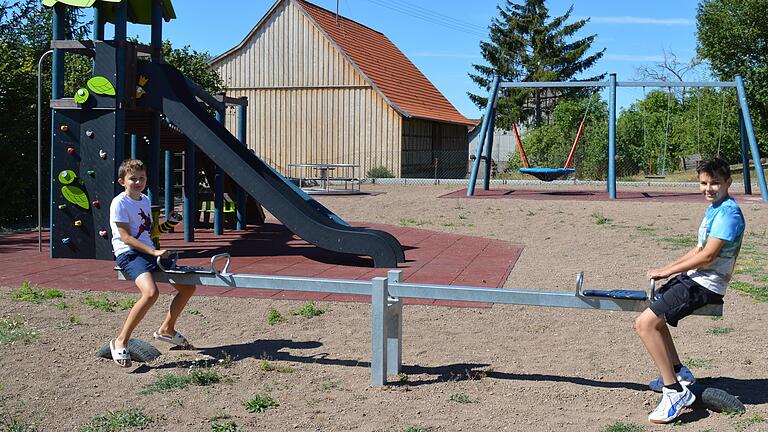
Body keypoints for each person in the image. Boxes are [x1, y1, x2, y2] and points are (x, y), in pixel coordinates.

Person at [635, 157, 745, 424]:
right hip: (694, 278)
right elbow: (697, 249)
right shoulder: (714, 208)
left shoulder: (729, 213)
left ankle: (673, 392)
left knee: (645, 324)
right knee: (654, 319)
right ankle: (678, 373)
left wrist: (669, 272)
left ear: (728, 182)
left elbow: (707, 257)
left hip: (705, 285)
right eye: (704, 183)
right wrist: (668, 268)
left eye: (715, 183)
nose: (708, 188)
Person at [108, 159, 196, 367]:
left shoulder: (145, 200)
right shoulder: (119, 203)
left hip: (148, 252)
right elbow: (126, 237)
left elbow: (150, 232)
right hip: (129, 253)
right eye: (132, 179)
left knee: (187, 287)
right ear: (122, 181)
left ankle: (167, 329)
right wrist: (154, 251)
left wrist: (169, 224)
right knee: (150, 293)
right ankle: (121, 340)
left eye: (142, 178)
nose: (138, 182)